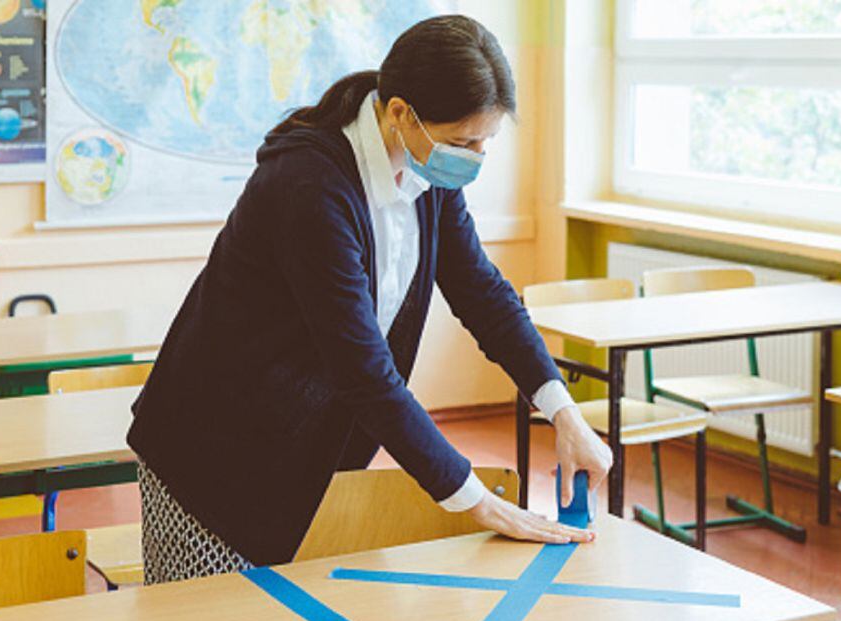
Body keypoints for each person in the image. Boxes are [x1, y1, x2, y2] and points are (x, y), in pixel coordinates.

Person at [127, 14, 613, 585]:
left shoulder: (429, 174)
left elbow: (482, 292)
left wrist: (563, 412)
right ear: (401, 113)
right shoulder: (309, 186)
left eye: (486, 142)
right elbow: (364, 372)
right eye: (463, 142)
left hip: (305, 446)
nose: (476, 158)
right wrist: (478, 501)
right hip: (215, 451)